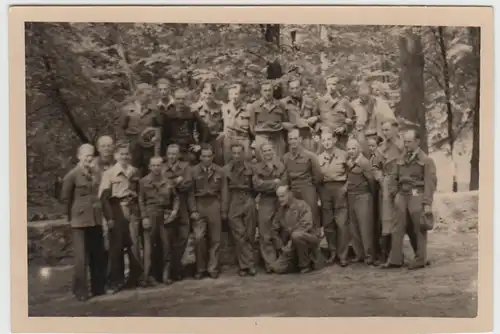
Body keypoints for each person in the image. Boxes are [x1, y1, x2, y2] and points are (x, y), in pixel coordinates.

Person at [382, 129, 437, 270]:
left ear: (417, 142)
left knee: (419, 228)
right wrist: (395, 194)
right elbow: (393, 177)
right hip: (402, 195)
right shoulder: (401, 158)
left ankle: (420, 260)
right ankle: (395, 260)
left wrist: (427, 203)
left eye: (409, 142)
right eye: (405, 142)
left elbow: (430, 183)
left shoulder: (426, 160)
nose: (406, 145)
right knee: (397, 227)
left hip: (416, 195)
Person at [60, 144, 107, 301]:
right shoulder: (72, 175)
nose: (89, 158)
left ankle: (98, 288)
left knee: (97, 254)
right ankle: (80, 291)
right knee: (81, 258)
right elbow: (65, 199)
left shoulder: (95, 173)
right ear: (79, 156)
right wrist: (69, 219)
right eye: (86, 155)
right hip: (79, 221)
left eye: (91, 155)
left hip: (95, 219)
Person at [99, 141, 143, 293]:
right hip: (117, 210)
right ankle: (115, 281)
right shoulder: (109, 174)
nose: (124, 157)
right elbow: (104, 198)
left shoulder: (134, 171)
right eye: (121, 154)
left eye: (127, 154)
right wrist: (109, 218)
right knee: (116, 247)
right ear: (116, 156)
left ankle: (134, 278)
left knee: (134, 245)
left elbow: (139, 192)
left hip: (132, 210)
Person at [138, 156, 180, 286]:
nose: (156, 168)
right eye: (154, 165)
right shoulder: (143, 181)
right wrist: (144, 217)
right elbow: (140, 200)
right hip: (150, 215)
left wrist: (174, 212)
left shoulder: (168, 181)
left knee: (166, 246)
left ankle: (165, 275)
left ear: (163, 166)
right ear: (150, 167)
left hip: (165, 216)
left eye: (159, 165)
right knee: (149, 248)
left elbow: (176, 198)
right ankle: (147, 276)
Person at [188, 144, 225, 279]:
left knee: (216, 239)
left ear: (213, 156)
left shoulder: (219, 171)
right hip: (199, 204)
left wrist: (223, 209)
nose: (207, 159)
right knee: (198, 238)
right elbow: (190, 193)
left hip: (214, 204)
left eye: (209, 156)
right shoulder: (193, 171)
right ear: (200, 157)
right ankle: (200, 268)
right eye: (204, 156)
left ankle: (213, 268)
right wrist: (192, 209)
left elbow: (224, 191)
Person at [222, 143, 257, 277]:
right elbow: (225, 192)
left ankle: (246, 266)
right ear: (231, 154)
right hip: (233, 201)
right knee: (239, 234)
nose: (236, 156)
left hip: (248, 199)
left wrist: (253, 201)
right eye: (234, 153)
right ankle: (248, 265)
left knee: (249, 233)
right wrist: (224, 211)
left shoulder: (251, 168)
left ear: (243, 154)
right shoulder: (226, 170)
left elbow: (256, 186)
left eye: (239, 153)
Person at [252, 143, 287, 273]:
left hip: (279, 201)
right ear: (261, 153)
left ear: (273, 151)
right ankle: (270, 263)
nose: (267, 153)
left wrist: (267, 183)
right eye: (265, 151)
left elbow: (284, 183)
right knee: (264, 233)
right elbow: (257, 185)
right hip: (265, 201)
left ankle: (281, 261)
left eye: (269, 150)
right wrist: (274, 183)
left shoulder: (281, 166)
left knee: (279, 230)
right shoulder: (257, 168)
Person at [373, 120, 405, 265]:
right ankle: (387, 255)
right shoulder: (380, 149)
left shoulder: (404, 146)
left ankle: (404, 254)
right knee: (386, 219)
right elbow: (375, 166)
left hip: (402, 185)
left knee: (402, 219)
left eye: (387, 129)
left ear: (396, 129)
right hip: (386, 186)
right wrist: (380, 178)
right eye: (383, 130)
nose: (385, 133)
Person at [317, 130, 350, 266]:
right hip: (325, 190)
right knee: (328, 223)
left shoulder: (344, 155)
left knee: (342, 223)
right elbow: (317, 178)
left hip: (340, 189)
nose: (326, 142)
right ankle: (332, 252)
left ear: (335, 140)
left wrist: (345, 188)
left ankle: (343, 255)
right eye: (324, 140)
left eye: (329, 139)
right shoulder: (318, 158)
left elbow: (351, 174)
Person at [270, 185, 320, 274]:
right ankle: (296, 261)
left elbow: (306, 225)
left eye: (282, 196)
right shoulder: (281, 211)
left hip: (308, 238)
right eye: (278, 197)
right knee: (277, 268)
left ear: (289, 194)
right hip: (291, 244)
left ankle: (305, 265)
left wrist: (291, 240)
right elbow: (274, 229)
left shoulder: (302, 205)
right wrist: (281, 246)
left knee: (296, 236)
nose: (280, 199)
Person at [161, 144, 194, 282]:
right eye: (169, 153)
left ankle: (175, 266)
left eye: (174, 154)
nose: (172, 156)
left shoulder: (185, 167)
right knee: (168, 239)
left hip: (183, 205)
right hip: (167, 207)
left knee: (184, 236)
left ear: (179, 155)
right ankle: (169, 271)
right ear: (166, 154)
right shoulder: (162, 168)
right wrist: (176, 181)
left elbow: (187, 185)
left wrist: (171, 183)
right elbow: (162, 187)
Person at [283, 129, 323, 234]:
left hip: (308, 188)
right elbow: (286, 177)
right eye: (290, 139)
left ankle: (315, 244)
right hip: (293, 190)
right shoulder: (286, 157)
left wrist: (311, 188)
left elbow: (318, 177)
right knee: (295, 217)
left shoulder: (310, 156)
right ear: (288, 141)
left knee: (312, 216)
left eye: (295, 138)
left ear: (300, 139)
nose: (293, 141)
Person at [156, 88, 210, 165]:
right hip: (173, 148)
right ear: (174, 99)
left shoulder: (192, 112)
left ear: (186, 99)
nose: (181, 101)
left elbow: (204, 128)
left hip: (189, 147)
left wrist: (200, 144)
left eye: (183, 99)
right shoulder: (168, 114)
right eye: (178, 99)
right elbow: (163, 136)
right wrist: (163, 154)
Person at [346, 139, 376, 265]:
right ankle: (359, 254)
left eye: (353, 148)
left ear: (358, 149)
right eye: (349, 149)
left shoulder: (364, 162)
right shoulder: (349, 162)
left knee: (365, 227)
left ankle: (369, 255)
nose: (351, 151)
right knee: (354, 227)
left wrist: (370, 195)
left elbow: (372, 181)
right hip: (351, 196)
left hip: (363, 196)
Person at [120, 85, 160, 177]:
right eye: (147, 95)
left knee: (149, 174)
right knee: (131, 173)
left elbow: (158, 127)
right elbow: (121, 129)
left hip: (149, 149)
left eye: (151, 95)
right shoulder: (126, 110)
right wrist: (124, 146)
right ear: (139, 95)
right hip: (132, 148)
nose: (150, 98)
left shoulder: (153, 110)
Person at [249, 80, 294, 160]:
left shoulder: (280, 105)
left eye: (270, 90)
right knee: (262, 165)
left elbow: (285, 122)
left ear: (273, 91)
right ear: (261, 92)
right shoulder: (255, 106)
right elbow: (252, 127)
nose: (268, 93)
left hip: (277, 139)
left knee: (279, 164)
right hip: (262, 138)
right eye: (265, 90)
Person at [313, 74, 356, 150]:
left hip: (340, 139)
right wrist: (320, 128)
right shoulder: (319, 101)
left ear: (338, 85)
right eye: (328, 84)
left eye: (333, 84)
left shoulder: (344, 102)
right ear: (326, 85)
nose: (331, 87)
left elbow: (352, 120)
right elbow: (313, 120)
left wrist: (344, 128)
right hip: (325, 139)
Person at [280, 78, 319, 152]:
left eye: (297, 88)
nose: (295, 91)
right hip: (292, 139)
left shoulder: (309, 101)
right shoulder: (283, 103)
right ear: (289, 89)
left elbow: (318, 117)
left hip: (308, 138)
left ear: (301, 87)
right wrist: (295, 124)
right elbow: (279, 122)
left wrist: (316, 118)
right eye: (292, 88)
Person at [191, 83, 225, 165]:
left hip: (217, 141)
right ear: (201, 93)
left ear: (214, 94)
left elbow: (225, 127)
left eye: (210, 93)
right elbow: (193, 129)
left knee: (218, 165)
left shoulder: (221, 107)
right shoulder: (195, 108)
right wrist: (198, 144)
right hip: (201, 142)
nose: (208, 96)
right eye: (205, 93)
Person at [222, 84, 253, 163]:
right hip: (229, 139)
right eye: (231, 94)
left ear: (241, 95)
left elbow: (252, 127)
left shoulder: (249, 107)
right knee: (228, 164)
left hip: (244, 139)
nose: (233, 96)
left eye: (236, 94)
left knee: (246, 163)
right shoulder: (224, 107)